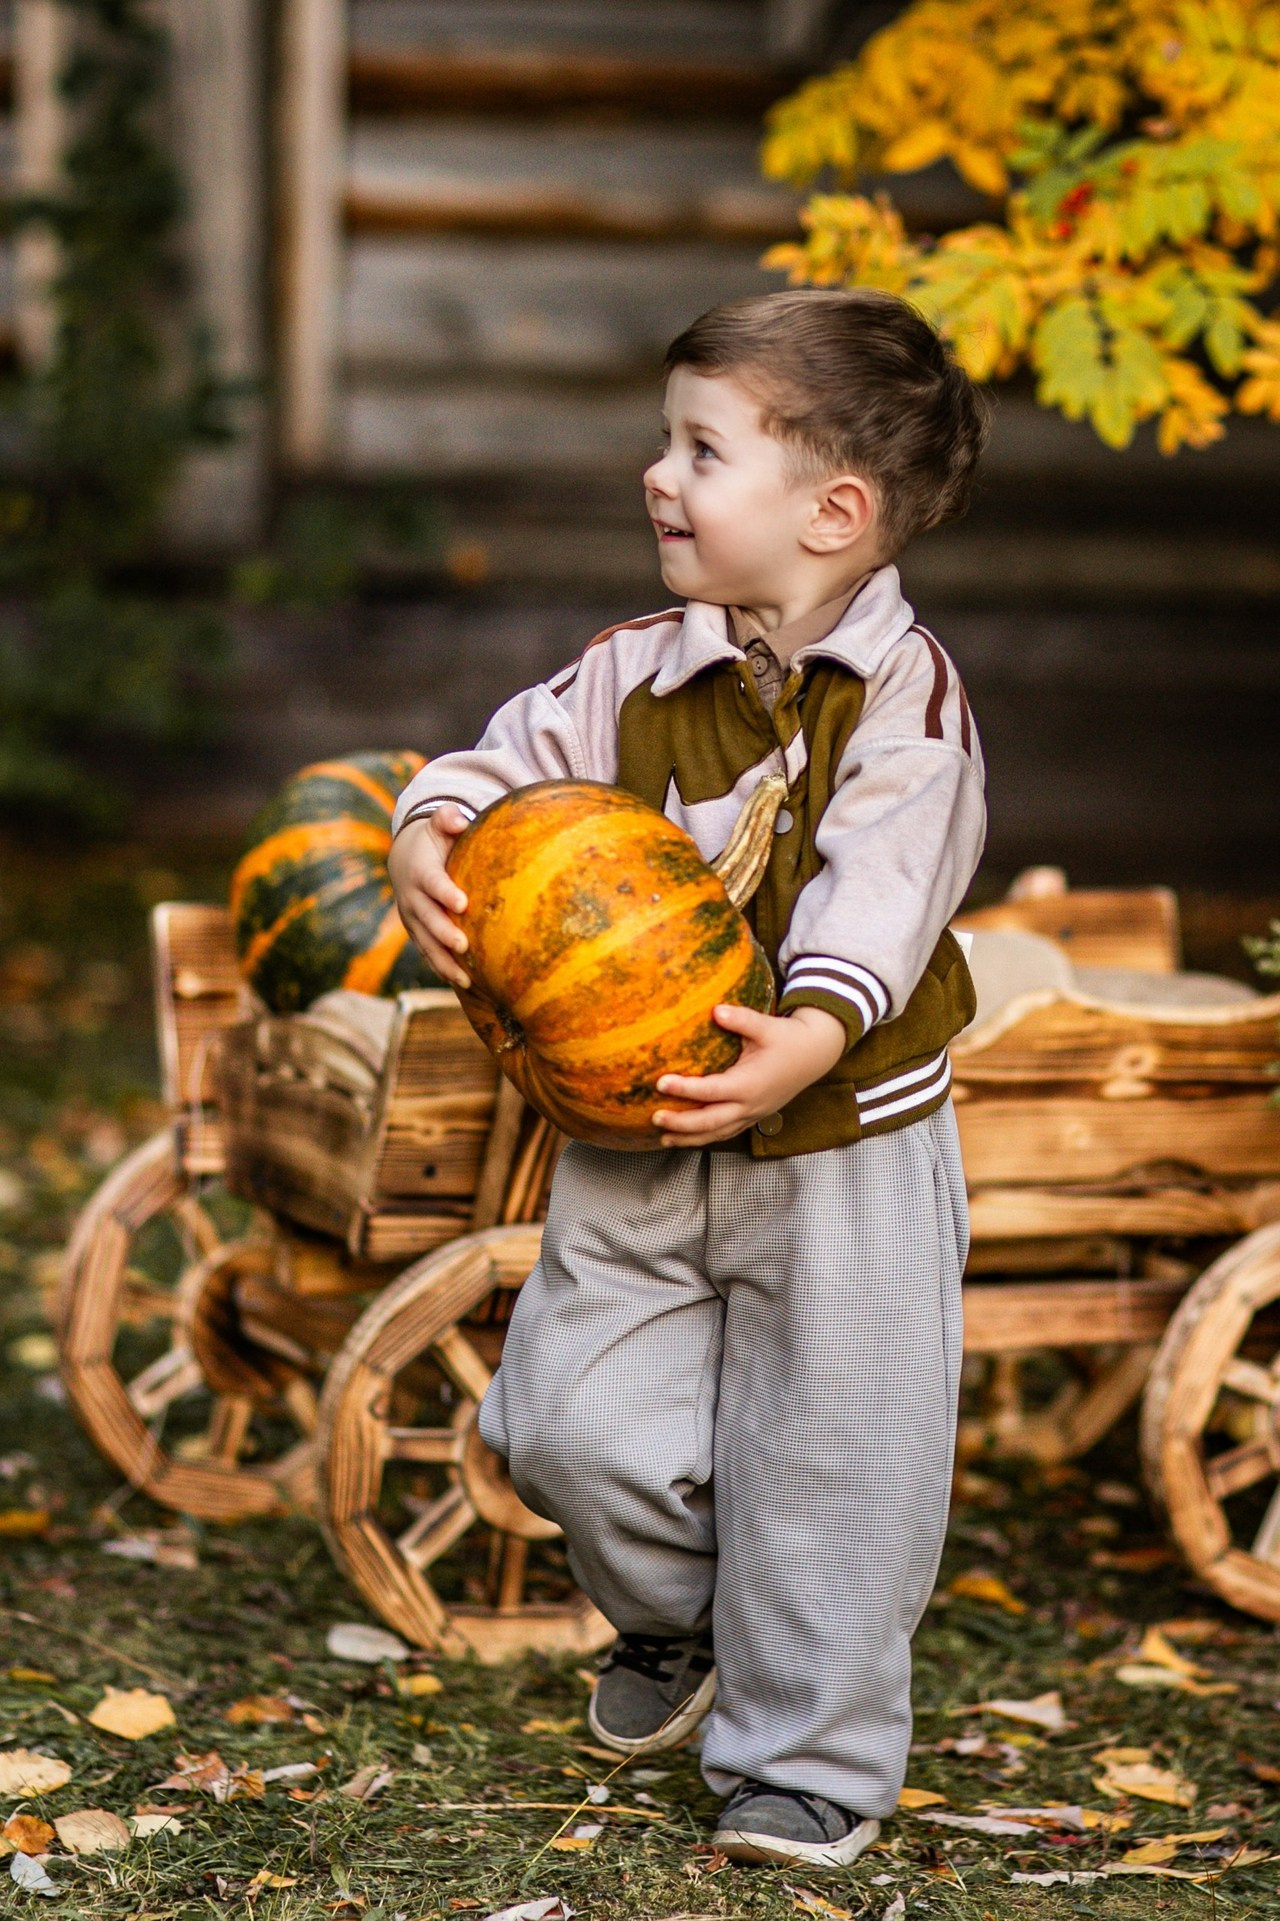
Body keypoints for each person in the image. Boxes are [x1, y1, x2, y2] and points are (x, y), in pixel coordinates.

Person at [388, 289, 989, 1870]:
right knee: (561, 1421)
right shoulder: (632, 673)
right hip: (638, 1126)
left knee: (837, 1456)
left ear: (831, 510)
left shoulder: (906, 697)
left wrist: (818, 1023)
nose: (658, 473)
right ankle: (680, 1614)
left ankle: (809, 1761)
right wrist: (426, 830)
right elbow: (502, 758)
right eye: (666, 439)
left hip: (844, 1140)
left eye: (701, 448)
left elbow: (892, 876)